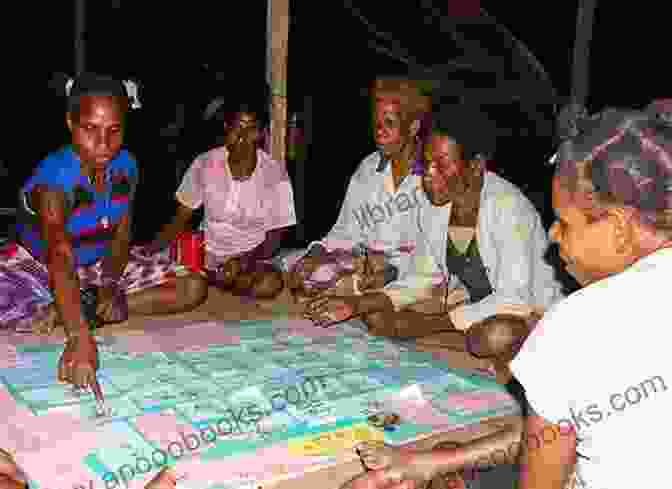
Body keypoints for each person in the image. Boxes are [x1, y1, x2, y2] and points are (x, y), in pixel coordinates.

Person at [2, 73, 208, 388]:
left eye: (114, 131)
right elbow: (58, 252)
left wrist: (111, 283)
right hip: (42, 266)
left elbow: (122, 233)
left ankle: (78, 306)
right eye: (90, 130)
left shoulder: (126, 167)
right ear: (70, 123)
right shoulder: (55, 180)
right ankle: (75, 310)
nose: (103, 144)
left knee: (193, 286)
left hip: (98, 265)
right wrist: (78, 336)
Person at [306, 103, 562, 343]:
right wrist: (355, 304)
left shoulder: (508, 207)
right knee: (376, 314)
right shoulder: (433, 205)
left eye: (441, 165)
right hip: (470, 307)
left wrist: (424, 325)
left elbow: (514, 299)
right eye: (426, 164)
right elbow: (422, 277)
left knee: (494, 337)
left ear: (475, 166)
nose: (428, 176)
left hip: (531, 311)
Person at [287, 77, 432, 310]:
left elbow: (433, 253)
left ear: (413, 127)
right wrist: (316, 252)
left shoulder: (431, 175)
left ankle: (361, 299)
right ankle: (353, 294)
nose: (380, 133)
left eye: (390, 123)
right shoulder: (368, 168)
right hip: (367, 266)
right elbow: (346, 232)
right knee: (306, 270)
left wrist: (391, 273)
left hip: (411, 273)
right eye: (377, 124)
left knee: (404, 295)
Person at [148, 100, 296, 300]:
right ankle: (213, 280)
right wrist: (151, 249)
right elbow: (181, 217)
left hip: (250, 259)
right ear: (226, 128)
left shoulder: (274, 173)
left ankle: (216, 283)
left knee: (269, 284)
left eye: (250, 129)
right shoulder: (205, 163)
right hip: (206, 255)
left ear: (260, 133)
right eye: (237, 128)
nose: (242, 137)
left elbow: (275, 239)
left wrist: (241, 262)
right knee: (164, 272)